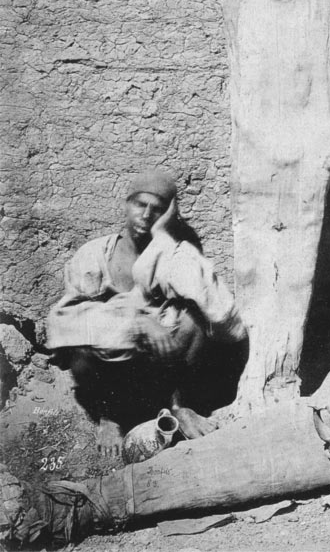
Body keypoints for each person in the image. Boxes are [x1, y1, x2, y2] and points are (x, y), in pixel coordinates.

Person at [47, 169, 247, 455]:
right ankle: (110, 417)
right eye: (140, 205)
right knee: (81, 345)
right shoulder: (94, 255)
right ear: (126, 204)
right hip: (110, 366)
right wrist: (136, 323)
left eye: (158, 209)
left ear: (167, 214)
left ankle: (180, 405)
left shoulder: (170, 256)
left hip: (159, 365)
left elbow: (221, 314)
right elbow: (64, 320)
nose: (146, 215)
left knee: (193, 317)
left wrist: (164, 237)